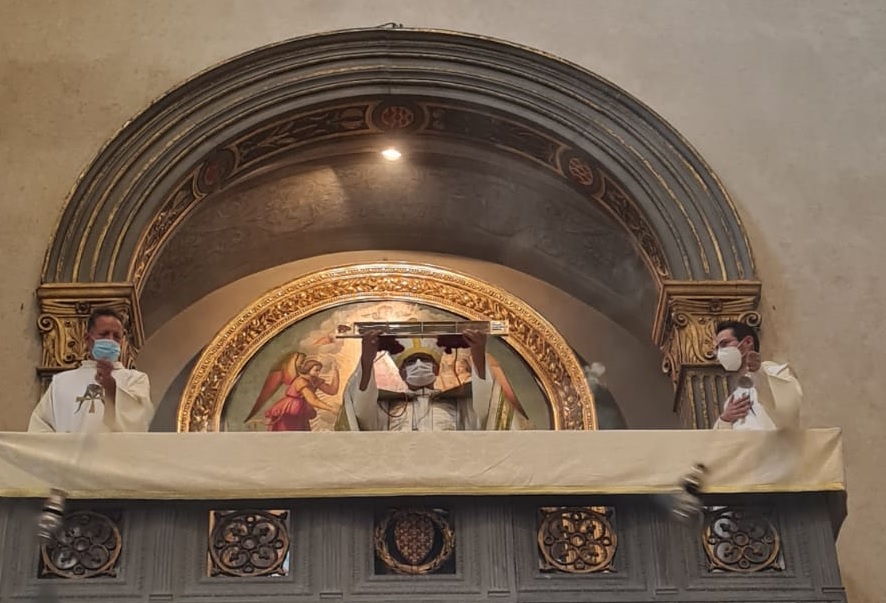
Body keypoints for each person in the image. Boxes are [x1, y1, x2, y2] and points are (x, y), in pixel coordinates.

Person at [337, 328, 525, 431]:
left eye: (425, 360)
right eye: (411, 361)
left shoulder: (459, 405)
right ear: (402, 373)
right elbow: (360, 413)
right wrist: (367, 360)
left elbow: (487, 409)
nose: (419, 364)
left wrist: (477, 354)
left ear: (436, 369)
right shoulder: (387, 408)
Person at [29, 308, 154, 433]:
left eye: (116, 336)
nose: (110, 340)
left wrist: (111, 388)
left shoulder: (135, 380)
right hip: (70, 446)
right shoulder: (61, 382)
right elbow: (40, 428)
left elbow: (140, 422)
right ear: (87, 339)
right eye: (104, 334)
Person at [712, 320, 802, 430]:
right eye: (717, 348)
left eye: (724, 344)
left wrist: (758, 373)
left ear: (747, 342)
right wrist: (725, 419)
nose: (719, 353)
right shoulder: (732, 399)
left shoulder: (778, 373)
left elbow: (787, 414)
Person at [245, 353, 340, 431]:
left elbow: (332, 391)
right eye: (316, 370)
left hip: (301, 411)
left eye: (319, 370)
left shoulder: (315, 380)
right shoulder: (301, 381)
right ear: (308, 369)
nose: (318, 373)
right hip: (290, 410)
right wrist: (331, 409)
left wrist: (336, 372)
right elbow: (312, 400)